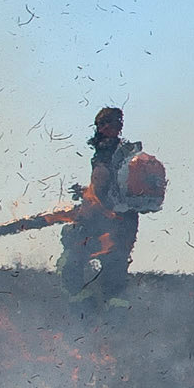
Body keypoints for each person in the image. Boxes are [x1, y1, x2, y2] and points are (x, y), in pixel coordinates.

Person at [61, 106, 142, 309]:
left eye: (107, 124)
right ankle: (105, 318)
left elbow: (105, 186)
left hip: (110, 223)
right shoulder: (113, 152)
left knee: (77, 264)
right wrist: (86, 193)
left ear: (118, 126)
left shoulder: (112, 154)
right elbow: (103, 187)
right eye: (100, 124)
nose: (103, 128)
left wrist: (92, 202)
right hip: (118, 223)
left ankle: (92, 315)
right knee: (110, 272)